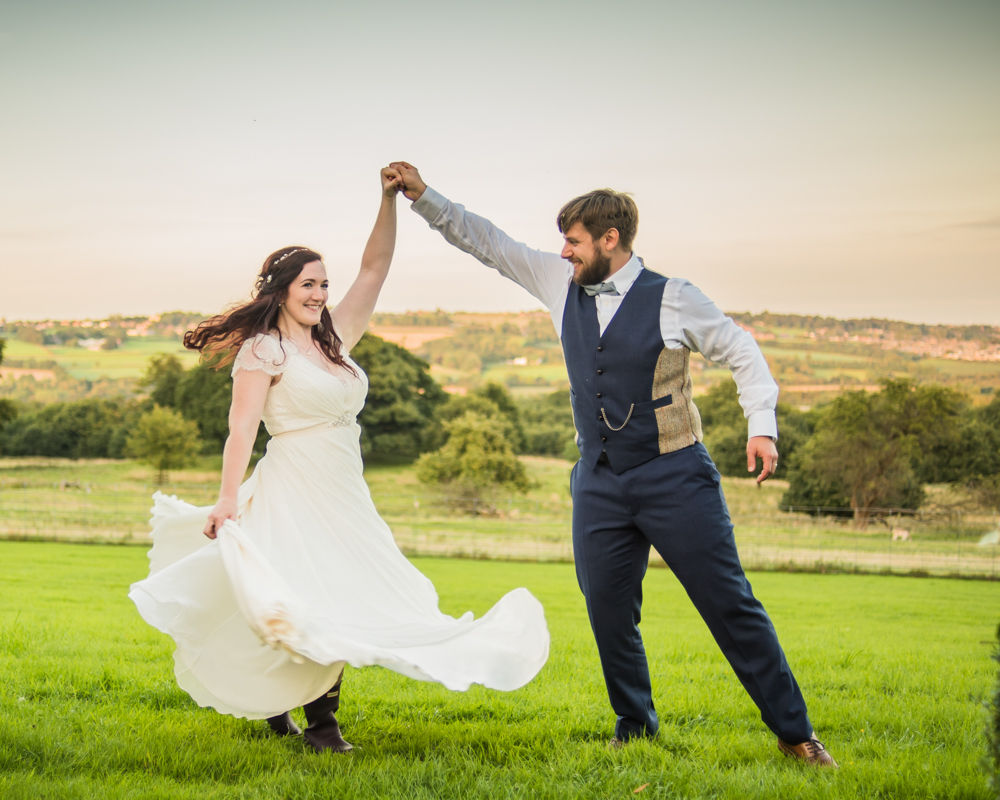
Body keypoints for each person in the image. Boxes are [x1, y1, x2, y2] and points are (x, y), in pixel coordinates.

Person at [389, 161, 837, 768]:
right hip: (598, 479)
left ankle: (796, 733)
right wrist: (423, 196)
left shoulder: (674, 297)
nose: (564, 252)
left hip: (676, 476)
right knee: (607, 607)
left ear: (610, 240)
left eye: (574, 241)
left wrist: (762, 427)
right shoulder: (557, 281)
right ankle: (635, 725)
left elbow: (741, 349)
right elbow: (488, 242)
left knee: (729, 604)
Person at [129, 167, 549, 754]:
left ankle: (283, 706)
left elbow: (375, 267)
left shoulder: (334, 339)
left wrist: (387, 200)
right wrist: (227, 500)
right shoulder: (264, 349)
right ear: (279, 290)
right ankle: (323, 728)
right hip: (292, 485)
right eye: (308, 285)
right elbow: (240, 430)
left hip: (343, 490)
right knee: (316, 594)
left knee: (352, 591)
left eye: (324, 284)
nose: (320, 295)